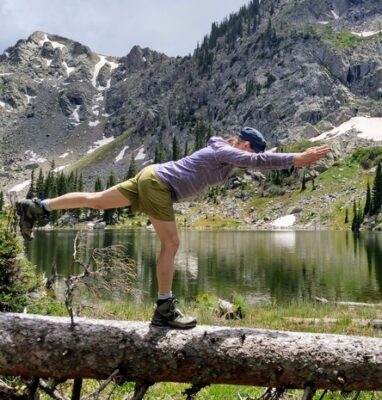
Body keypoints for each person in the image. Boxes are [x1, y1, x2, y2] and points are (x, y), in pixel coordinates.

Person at [16, 127, 330, 329]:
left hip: (152, 177)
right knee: (172, 244)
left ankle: (37, 206)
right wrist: (294, 159)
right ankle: (165, 307)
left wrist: (289, 158)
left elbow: (259, 159)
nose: (251, 158)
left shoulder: (227, 154)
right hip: (160, 184)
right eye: (252, 151)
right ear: (245, 145)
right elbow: (258, 162)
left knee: (98, 201)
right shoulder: (224, 151)